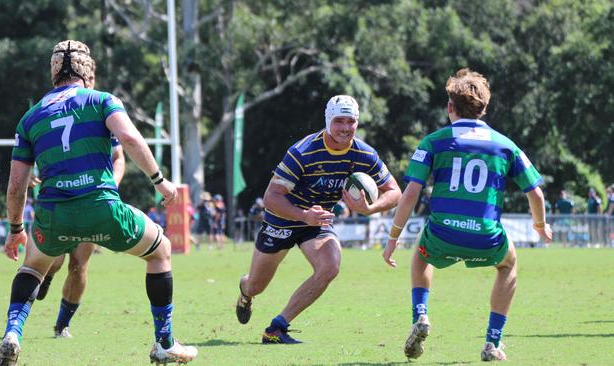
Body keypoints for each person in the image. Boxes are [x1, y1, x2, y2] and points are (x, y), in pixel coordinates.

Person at [0, 40, 197, 365]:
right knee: (160, 251)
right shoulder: (102, 100)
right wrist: (160, 181)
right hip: (102, 209)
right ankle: (165, 342)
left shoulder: (30, 118)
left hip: (53, 216)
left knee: (32, 267)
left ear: (53, 72)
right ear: (89, 71)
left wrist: (16, 229)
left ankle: (12, 333)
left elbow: (17, 185)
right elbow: (129, 139)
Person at [382, 69, 552, 362]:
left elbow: (410, 194)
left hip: (443, 233)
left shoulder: (434, 141)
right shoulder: (505, 145)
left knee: (422, 255)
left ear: (450, 107)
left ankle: (421, 316)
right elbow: (536, 194)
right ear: (484, 109)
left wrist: (393, 238)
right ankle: (491, 343)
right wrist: (540, 226)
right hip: (486, 236)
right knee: (508, 265)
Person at [235, 95, 402, 344]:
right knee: (256, 285)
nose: (346, 128)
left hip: (318, 222)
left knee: (330, 266)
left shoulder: (363, 153)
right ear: (328, 121)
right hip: (282, 219)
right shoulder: (303, 151)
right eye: (339, 121)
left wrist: (369, 209)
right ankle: (245, 292)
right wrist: (304, 215)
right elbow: (271, 197)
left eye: (351, 121)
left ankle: (276, 329)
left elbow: (395, 191)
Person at [27, 58, 127, 340]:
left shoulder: (101, 110)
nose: (90, 81)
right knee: (55, 261)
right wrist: (35, 174)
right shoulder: (50, 109)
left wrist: (110, 187)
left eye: (93, 77)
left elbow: (119, 158)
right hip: (59, 198)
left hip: (93, 197)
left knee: (79, 264)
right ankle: (46, 274)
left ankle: (62, 326)